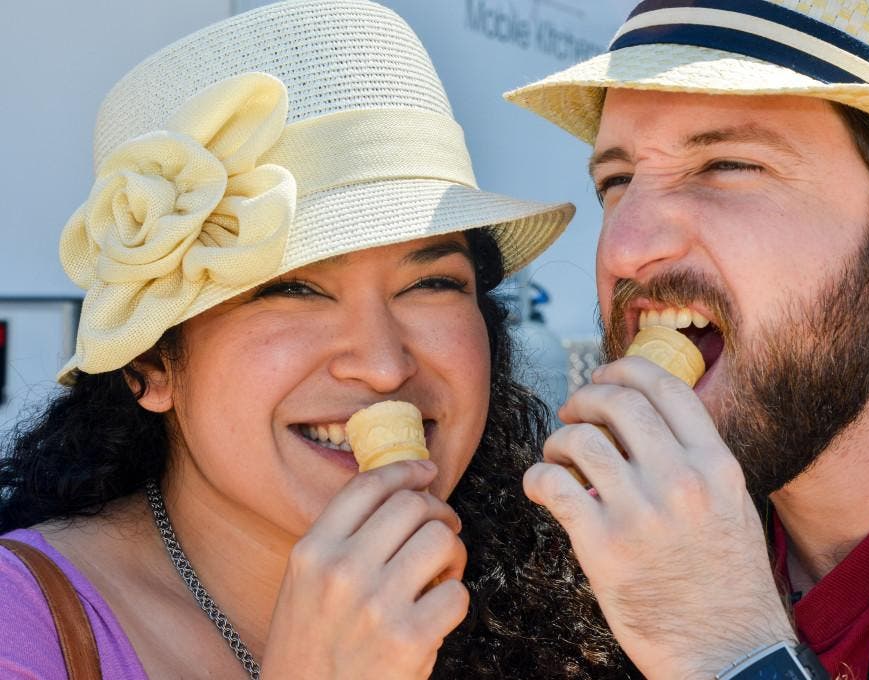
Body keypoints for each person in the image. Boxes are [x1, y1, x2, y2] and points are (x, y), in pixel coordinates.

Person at [0, 2, 639, 678]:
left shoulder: (583, 617)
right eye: (294, 290)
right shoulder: (25, 631)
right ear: (151, 364)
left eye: (432, 285)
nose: (384, 366)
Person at [506, 0, 869, 678]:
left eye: (726, 166)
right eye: (618, 180)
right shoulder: (608, 555)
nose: (625, 248)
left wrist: (736, 653)